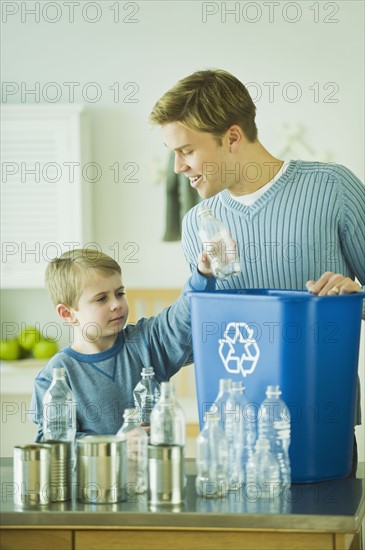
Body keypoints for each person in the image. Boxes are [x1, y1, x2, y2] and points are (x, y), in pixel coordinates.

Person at [149, 69, 365, 476]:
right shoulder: (197, 224)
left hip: (320, 423)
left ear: (232, 137)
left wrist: (353, 294)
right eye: (172, 153)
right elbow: (202, 333)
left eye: (187, 151)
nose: (178, 167)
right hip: (233, 431)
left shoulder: (332, 189)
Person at [30, 248, 215, 439]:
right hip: (94, 469)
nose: (116, 304)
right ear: (67, 314)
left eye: (119, 293)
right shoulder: (56, 376)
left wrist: (202, 275)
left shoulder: (145, 341)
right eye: (102, 298)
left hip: (152, 467)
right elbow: (53, 441)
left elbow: (180, 316)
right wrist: (116, 444)